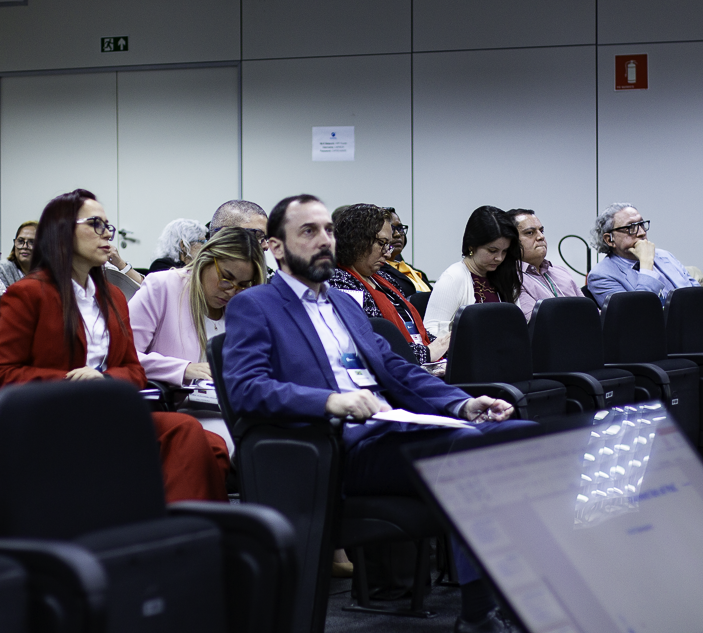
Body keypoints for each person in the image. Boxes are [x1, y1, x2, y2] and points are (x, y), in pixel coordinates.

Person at [222, 194, 534, 631]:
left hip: (395, 431)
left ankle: (528, 593)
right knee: (471, 453)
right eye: (308, 232)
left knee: (524, 437)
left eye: (328, 230)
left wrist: (462, 402)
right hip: (340, 447)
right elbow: (246, 388)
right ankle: (482, 614)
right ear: (275, 247)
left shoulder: (344, 304)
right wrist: (329, 402)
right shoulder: (255, 306)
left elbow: (396, 369)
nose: (324, 240)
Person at [0, 189, 229, 503]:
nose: (107, 234)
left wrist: (106, 380)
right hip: (53, 416)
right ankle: (186, 532)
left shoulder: (113, 297)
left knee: (208, 445)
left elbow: (133, 370)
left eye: (108, 225)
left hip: (107, 412)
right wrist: (69, 383)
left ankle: (182, 530)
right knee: (192, 435)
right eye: (96, 224)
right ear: (62, 231)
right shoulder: (28, 294)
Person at [129, 227, 266, 451]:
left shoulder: (243, 306)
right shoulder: (163, 286)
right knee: (244, 447)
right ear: (206, 258)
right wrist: (185, 369)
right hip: (178, 412)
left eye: (242, 285)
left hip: (231, 408)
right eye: (226, 279)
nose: (231, 291)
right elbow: (124, 357)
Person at [328, 204, 449, 366]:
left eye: (388, 244)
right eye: (381, 243)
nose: (387, 252)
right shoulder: (339, 282)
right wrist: (426, 353)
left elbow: (415, 330)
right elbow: (371, 341)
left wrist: (446, 345)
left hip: (420, 363)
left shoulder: (384, 278)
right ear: (356, 240)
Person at [423, 206, 522, 337]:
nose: (499, 258)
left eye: (505, 251)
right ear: (472, 246)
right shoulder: (453, 278)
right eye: (492, 251)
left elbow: (517, 325)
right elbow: (430, 332)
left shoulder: (504, 275)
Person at [587, 203, 698, 305]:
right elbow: (636, 315)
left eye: (641, 224)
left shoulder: (665, 256)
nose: (642, 232)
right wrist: (646, 265)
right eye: (630, 227)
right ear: (610, 239)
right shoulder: (601, 276)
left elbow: (699, 294)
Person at [508, 208, 584, 321]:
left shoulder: (561, 271)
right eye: (530, 233)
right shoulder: (513, 278)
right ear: (510, 241)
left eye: (541, 231)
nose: (541, 237)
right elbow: (538, 324)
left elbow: (591, 312)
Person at [381, 207, 430, 297]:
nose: (398, 234)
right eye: (391, 228)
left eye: (400, 228)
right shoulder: (378, 273)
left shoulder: (414, 271)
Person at [0, 220, 37, 288]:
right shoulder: (3, 269)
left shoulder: (52, 272)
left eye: (32, 242)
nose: (25, 246)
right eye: (20, 241)